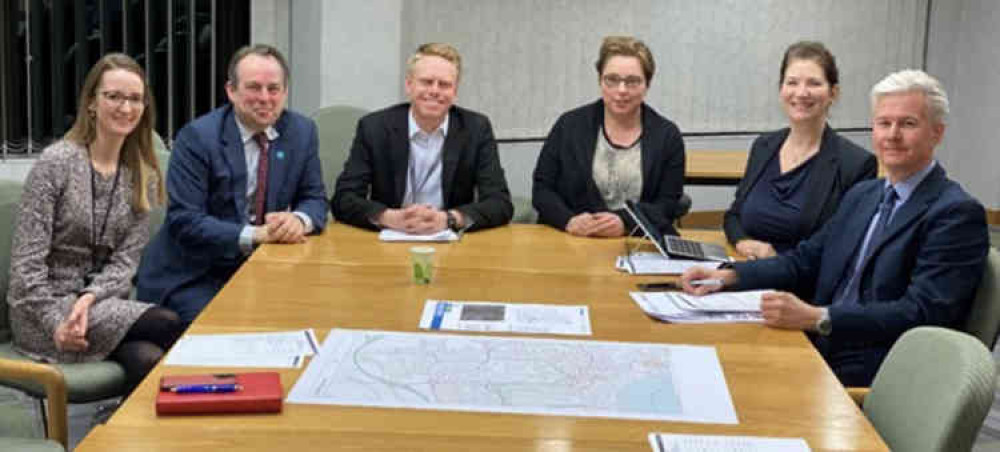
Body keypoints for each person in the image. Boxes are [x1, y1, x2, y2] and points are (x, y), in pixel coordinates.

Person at [682, 69, 989, 386]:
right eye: (884, 123)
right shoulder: (864, 195)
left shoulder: (955, 213)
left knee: (737, 384)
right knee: (708, 360)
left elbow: (922, 313)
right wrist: (727, 276)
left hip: (879, 368)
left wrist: (819, 318)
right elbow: (807, 259)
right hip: (820, 342)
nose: (892, 134)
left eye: (908, 124)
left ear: (937, 133)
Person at [7, 53, 182, 393]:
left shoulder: (140, 172)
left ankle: (122, 439)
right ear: (91, 103)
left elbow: (125, 262)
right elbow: (25, 268)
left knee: (148, 359)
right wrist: (57, 321)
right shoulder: (55, 163)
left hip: (98, 305)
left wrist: (88, 299)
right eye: (113, 96)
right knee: (167, 322)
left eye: (134, 98)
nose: (125, 107)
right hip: (40, 311)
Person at [136, 44, 328, 324]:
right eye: (254, 87)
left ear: (285, 92)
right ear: (231, 91)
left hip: (263, 269)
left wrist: (299, 220)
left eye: (273, 89)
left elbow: (315, 198)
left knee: (306, 319)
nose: (265, 98)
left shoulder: (301, 132)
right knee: (228, 331)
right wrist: (255, 235)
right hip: (195, 273)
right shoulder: (198, 138)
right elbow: (185, 220)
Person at [331, 42, 513, 234]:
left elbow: (500, 203)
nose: (435, 91)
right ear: (409, 86)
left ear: (455, 91)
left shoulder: (476, 128)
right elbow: (344, 199)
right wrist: (389, 217)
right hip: (390, 237)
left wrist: (449, 219)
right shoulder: (374, 128)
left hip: (449, 240)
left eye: (444, 84)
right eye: (426, 82)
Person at [724, 42, 877, 259]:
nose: (801, 93)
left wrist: (776, 257)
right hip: (746, 271)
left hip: (801, 286)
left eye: (814, 83)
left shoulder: (856, 164)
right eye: (792, 82)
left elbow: (841, 246)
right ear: (781, 89)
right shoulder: (763, 146)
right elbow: (734, 215)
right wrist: (742, 241)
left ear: (833, 93)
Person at [532, 36, 685, 238]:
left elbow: (668, 203)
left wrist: (626, 222)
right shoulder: (569, 125)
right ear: (600, 80)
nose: (621, 90)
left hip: (634, 243)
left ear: (647, 84)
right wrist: (569, 221)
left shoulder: (667, 136)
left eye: (632, 81)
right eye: (612, 80)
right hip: (571, 240)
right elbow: (542, 189)